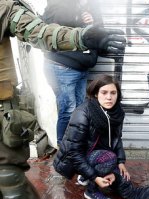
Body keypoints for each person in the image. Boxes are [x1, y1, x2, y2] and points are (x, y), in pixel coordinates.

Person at [0, 0, 125, 199]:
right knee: (71, 117)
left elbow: (41, 31)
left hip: (76, 68)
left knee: (78, 118)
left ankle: (71, 165)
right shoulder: (60, 3)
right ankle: (68, 163)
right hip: (64, 67)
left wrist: (87, 29)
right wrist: (81, 28)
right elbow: (49, 32)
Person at [53, 74, 131, 199]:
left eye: (113, 93)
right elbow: (74, 153)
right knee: (109, 159)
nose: (109, 97)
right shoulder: (82, 113)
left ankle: (85, 176)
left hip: (92, 152)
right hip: (73, 160)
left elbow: (117, 139)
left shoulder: (117, 112)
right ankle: (91, 191)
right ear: (95, 94)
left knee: (123, 181)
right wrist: (95, 178)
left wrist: (121, 161)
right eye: (104, 92)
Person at [42, 0, 103, 146]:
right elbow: (49, 25)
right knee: (68, 110)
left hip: (81, 66)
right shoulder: (58, 4)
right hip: (63, 67)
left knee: (79, 110)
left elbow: (100, 29)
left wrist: (93, 20)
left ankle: (74, 146)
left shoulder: (92, 4)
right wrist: (77, 18)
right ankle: (63, 149)